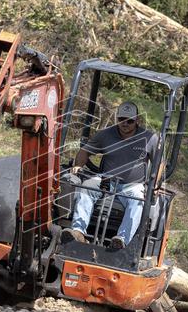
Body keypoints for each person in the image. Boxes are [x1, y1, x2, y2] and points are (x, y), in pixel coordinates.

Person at [62, 101, 159, 249]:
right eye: (121, 119)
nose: (125, 124)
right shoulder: (106, 135)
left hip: (133, 185)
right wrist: (77, 165)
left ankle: (121, 239)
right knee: (88, 185)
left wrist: (155, 185)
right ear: (117, 119)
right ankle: (78, 231)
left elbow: (159, 163)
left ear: (137, 120)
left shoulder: (149, 138)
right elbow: (85, 151)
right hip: (106, 179)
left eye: (130, 121)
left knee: (139, 199)